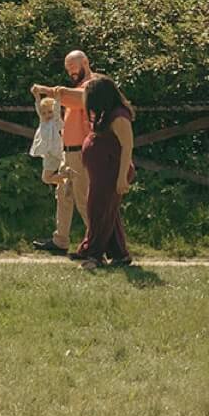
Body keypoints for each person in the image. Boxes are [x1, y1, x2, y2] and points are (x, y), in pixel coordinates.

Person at [39, 75, 135, 269]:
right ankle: (120, 255)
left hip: (113, 171)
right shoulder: (105, 114)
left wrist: (122, 177)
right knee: (109, 214)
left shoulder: (119, 117)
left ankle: (93, 255)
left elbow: (127, 147)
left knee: (97, 210)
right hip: (102, 171)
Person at [32, 50, 94, 254]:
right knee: (63, 195)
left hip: (80, 152)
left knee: (83, 198)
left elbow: (76, 98)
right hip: (66, 152)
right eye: (68, 69)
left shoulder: (92, 86)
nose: (71, 72)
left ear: (85, 62)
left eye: (73, 67)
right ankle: (61, 240)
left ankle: (96, 242)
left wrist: (48, 91)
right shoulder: (76, 87)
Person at [30, 93, 66, 188]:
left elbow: (57, 110)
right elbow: (38, 109)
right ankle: (67, 181)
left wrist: (57, 98)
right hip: (49, 154)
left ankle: (70, 179)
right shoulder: (43, 122)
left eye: (50, 112)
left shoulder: (56, 121)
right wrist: (37, 97)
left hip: (59, 152)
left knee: (65, 168)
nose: (47, 115)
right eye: (44, 113)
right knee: (46, 178)